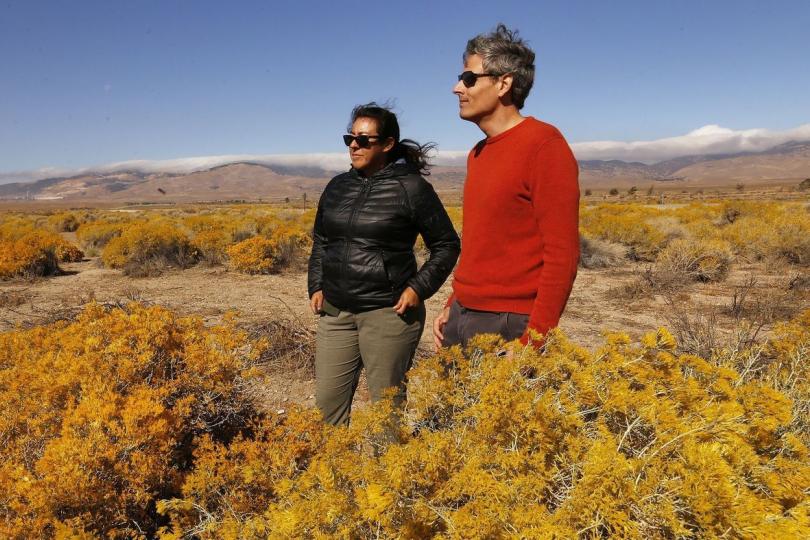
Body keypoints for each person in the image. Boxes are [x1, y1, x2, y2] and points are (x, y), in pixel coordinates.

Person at [308, 103, 460, 426]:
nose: (353, 145)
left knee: (385, 412)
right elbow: (321, 239)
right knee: (326, 408)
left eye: (363, 140)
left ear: (388, 144)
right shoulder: (337, 187)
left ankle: (385, 474)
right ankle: (334, 474)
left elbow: (446, 245)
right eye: (350, 138)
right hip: (336, 312)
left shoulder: (411, 188)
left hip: (388, 313)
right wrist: (316, 283)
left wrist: (418, 288)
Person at [433, 24, 580, 350]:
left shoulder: (544, 145)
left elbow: (562, 254)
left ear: (503, 83)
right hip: (462, 316)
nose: (457, 87)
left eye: (469, 78)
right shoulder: (478, 153)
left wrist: (534, 340)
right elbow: (481, 245)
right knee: (452, 404)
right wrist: (452, 303)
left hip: (509, 323)